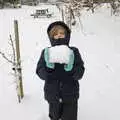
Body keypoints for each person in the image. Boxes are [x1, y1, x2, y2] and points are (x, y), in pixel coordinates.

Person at [36, 21, 85, 120]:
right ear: (51, 36)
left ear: (66, 35)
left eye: (62, 33)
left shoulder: (73, 51)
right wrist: (47, 72)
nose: (59, 35)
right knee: (54, 116)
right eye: (55, 34)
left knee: (70, 117)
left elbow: (80, 70)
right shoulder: (47, 52)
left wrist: (72, 72)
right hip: (52, 93)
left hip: (70, 93)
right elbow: (39, 69)